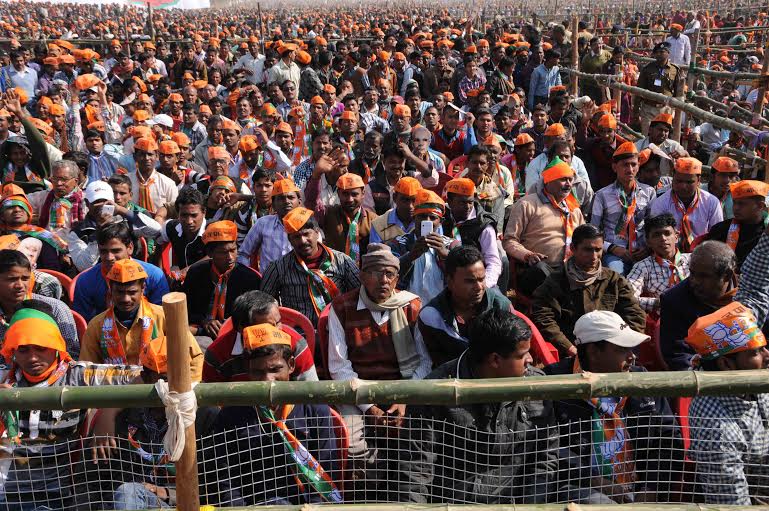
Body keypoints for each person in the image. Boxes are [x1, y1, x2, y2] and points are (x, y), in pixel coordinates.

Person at [399, 308, 559, 504]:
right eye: (522, 355)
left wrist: (532, 506)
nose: (531, 360)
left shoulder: (536, 387)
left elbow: (545, 459)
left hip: (516, 502)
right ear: (495, 359)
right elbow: (417, 467)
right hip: (453, 504)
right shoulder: (435, 392)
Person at [0, 303, 142, 511]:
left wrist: (108, 412)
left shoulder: (76, 376)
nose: (32, 358)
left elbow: (140, 376)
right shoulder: (6, 378)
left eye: (41, 348)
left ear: (56, 346)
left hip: (50, 495)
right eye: (23, 350)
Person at [544, 310, 684, 504]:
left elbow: (669, 439)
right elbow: (544, 448)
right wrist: (592, 479)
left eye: (632, 348)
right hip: (578, 486)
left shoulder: (642, 380)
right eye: (622, 349)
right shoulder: (553, 384)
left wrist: (651, 487)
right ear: (593, 351)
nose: (632, 356)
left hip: (641, 488)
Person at [327, 242, 430, 499]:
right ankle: (366, 498)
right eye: (375, 272)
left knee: (417, 441)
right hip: (356, 392)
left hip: (403, 389)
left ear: (397, 277)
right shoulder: (342, 308)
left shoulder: (412, 306)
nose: (383, 280)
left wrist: (403, 400)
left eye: (390, 274)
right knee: (352, 445)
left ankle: (407, 498)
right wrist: (370, 407)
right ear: (362, 275)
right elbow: (339, 368)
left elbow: (424, 362)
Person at [207, 323, 340, 505]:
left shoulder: (314, 408)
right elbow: (225, 480)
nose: (267, 380)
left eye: (275, 369)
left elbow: (327, 468)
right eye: (258, 372)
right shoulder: (232, 415)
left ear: (291, 365)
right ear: (248, 370)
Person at [107, 337, 219, 511]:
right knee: (128, 492)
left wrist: (166, 492)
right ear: (145, 377)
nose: (174, 387)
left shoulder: (206, 416)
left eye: (180, 378)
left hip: (184, 505)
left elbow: (217, 485)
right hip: (133, 502)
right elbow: (97, 479)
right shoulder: (124, 416)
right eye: (165, 379)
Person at [685, 301, 769, 505]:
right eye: (755, 352)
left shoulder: (753, 385)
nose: (767, 356)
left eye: (764, 348)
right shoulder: (718, 430)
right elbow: (735, 504)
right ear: (726, 364)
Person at [531, 223, 646, 357]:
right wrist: (569, 348)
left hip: (612, 349)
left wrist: (621, 345)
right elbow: (544, 319)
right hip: (573, 351)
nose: (594, 256)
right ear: (573, 248)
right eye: (587, 250)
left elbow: (635, 314)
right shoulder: (555, 282)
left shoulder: (614, 280)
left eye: (598, 250)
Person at [79, 258, 203, 380]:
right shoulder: (96, 326)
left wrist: (181, 390)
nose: (126, 299)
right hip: (114, 394)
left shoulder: (164, 317)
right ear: (110, 290)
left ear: (143, 289)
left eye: (132, 292)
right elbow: (86, 371)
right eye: (120, 292)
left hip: (160, 391)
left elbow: (195, 358)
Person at [260, 207, 360, 326]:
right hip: (299, 334)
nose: (302, 241)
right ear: (290, 240)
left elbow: (359, 296)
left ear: (317, 232)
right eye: (296, 237)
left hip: (339, 328)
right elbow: (264, 303)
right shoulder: (278, 267)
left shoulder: (342, 261)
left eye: (306, 234)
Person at [416, 245, 513, 366]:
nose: (479, 287)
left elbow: (510, 354)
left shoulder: (501, 307)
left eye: (481, 279)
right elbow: (439, 362)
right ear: (450, 282)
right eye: (470, 281)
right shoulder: (431, 316)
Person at [504, 157, 585, 296]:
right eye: (563, 179)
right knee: (541, 270)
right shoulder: (527, 204)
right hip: (535, 269)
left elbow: (584, 239)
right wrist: (528, 255)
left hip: (569, 269)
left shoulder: (574, 209)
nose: (568, 184)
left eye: (570, 180)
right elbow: (509, 241)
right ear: (548, 181)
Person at [202, 290, 317, 382]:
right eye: (267, 327)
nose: (277, 331)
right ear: (242, 328)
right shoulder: (217, 354)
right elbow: (211, 403)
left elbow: (311, 393)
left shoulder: (295, 344)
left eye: (278, 323)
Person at [660, 240, 740, 370]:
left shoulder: (749, 296)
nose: (695, 282)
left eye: (704, 276)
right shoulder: (674, 301)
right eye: (692, 273)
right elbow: (678, 356)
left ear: (727, 275)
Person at [182, 220, 261, 348]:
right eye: (223, 252)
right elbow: (186, 308)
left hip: (237, 335)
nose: (230, 257)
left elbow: (254, 316)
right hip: (200, 332)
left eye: (233, 250)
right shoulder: (196, 272)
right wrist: (205, 322)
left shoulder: (250, 278)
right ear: (210, 253)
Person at [73, 222, 169, 322]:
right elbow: (83, 324)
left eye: (116, 251)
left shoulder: (154, 276)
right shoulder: (86, 281)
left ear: (130, 248)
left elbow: (162, 318)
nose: (109, 258)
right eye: (104, 251)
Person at [0, 249, 79, 362]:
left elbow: (71, 355)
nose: (20, 285)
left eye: (25, 278)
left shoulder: (55, 308)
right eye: (12, 279)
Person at [590, 142, 656, 275]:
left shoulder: (649, 193)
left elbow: (653, 225)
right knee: (616, 276)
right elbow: (593, 232)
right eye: (625, 165)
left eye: (634, 164)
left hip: (643, 252)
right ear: (614, 167)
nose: (630, 170)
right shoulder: (602, 195)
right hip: (615, 254)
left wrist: (648, 247)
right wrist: (612, 248)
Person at [67, 180, 161, 272]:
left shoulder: (125, 221)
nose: (102, 205)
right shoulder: (78, 232)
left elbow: (157, 231)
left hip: (131, 274)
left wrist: (121, 210)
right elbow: (84, 266)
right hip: (98, 278)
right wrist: (99, 232)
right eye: (97, 201)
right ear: (87, 203)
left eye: (105, 201)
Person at [387, 189, 460, 304]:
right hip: (406, 309)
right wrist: (410, 256)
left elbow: (462, 277)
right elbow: (388, 274)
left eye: (432, 217)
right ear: (414, 218)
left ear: (441, 221)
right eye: (421, 216)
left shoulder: (452, 245)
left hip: (442, 311)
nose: (426, 221)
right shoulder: (397, 244)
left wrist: (445, 255)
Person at [649, 157, 723, 252]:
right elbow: (656, 237)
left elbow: (717, 236)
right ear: (673, 178)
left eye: (689, 182)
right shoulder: (661, 203)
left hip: (702, 253)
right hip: (669, 254)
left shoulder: (711, 202)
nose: (683, 186)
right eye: (679, 181)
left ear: (698, 181)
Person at [441, 178, 503, 290]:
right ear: (450, 201)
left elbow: (493, 262)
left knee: (501, 305)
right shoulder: (441, 217)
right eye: (462, 202)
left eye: (470, 202)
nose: (468, 207)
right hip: (444, 279)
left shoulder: (484, 226)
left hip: (478, 281)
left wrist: (483, 286)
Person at [305, 171, 375, 266]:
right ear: (338, 193)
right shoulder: (328, 213)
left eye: (354, 194)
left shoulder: (373, 220)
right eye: (345, 194)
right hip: (334, 272)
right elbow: (312, 202)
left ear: (363, 194)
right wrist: (316, 175)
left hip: (364, 274)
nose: (350, 199)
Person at [627, 213, 691, 314]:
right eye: (656, 235)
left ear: (676, 236)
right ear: (648, 241)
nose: (663, 238)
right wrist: (659, 303)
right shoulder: (643, 266)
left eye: (667, 233)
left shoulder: (692, 260)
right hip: (662, 320)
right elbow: (628, 297)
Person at [237, 177, 301, 273]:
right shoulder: (263, 223)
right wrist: (250, 277)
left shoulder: (308, 225)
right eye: (281, 198)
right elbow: (243, 254)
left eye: (291, 197)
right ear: (274, 204)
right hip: (268, 283)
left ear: (299, 202)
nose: (287, 201)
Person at [704, 181, 769, 270]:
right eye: (735, 202)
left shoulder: (766, 234)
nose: (735, 208)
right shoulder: (720, 229)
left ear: (760, 206)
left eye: (742, 204)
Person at [157, 187, 207, 281]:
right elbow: (159, 247)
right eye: (184, 215)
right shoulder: (170, 227)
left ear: (204, 213)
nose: (189, 221)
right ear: (178, 214)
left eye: (194, 215)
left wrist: (185, 271)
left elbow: (213, 256)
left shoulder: (212, 231)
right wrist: (160, 276)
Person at [27, 159, 85, 236]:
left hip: (76, 244)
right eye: (55, 179)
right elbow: (19, 200)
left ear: (76, 181)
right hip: (47, 243)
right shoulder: (43, 197)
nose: (58, 183)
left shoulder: (85, 200)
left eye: (64, 179)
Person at [634, 43, 682, 134]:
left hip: (666, 108)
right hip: (649, 108)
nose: (659, 54)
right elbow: (639, 90)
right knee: (647, 135)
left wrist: (676, 109)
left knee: (663, 136)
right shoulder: (647, 69)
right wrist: (636, 110)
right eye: (657, 52)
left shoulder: (674, 70)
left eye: (662, 52)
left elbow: (677, 91)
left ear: (668, 53)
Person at [369, 176, 420, 244]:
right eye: (405, 200)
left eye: (414, 200)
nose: (410, 206)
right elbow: (375, 253)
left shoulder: (428, 221)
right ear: (394, 198)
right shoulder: (379, 224)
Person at [702, 157, 739, 221]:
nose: (727, 180)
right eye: (723, 175)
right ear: (712, 177)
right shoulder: (700, 193)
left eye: (731, 176)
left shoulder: (738, 196)